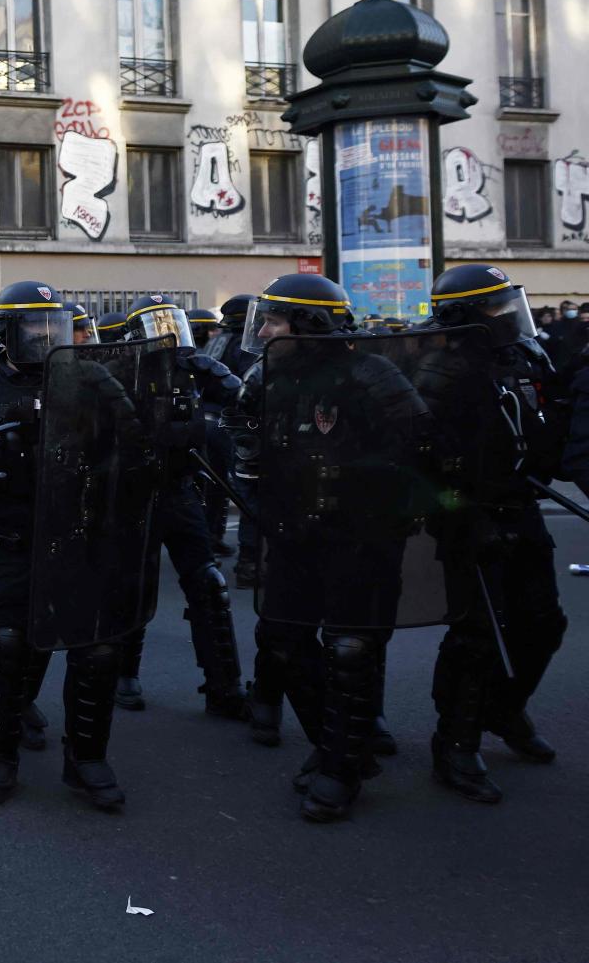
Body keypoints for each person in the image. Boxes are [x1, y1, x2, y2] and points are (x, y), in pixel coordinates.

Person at [0, 280, 141, 811]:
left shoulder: (88, 376)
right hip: (6, 536)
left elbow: (133, 439)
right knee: (7, 643)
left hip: (76, 537)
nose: (44, 335)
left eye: (52, 324)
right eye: (33, 325)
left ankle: (86, 758)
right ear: (4, 330)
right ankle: (0, 754)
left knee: (96, 647)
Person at [226, 273, 432, 821]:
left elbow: (420, 447)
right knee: (284, 641)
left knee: (350, 651)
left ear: (311, 324)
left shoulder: (373, 375)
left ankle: (341, 767)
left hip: (361, 537)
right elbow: (240, 428)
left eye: (273, 320)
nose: (264, 330)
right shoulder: (266, 374)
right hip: (294, 533)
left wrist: (357, 478)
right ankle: (338, 744)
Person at [423, 265, 569, 802]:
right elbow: (422, 467)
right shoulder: (438, 372)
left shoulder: (519, 358)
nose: (509, 315)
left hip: (519, 505)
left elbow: (544, 424)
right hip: (470, 516)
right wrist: (464, 515)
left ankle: (505, 711)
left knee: (545, 622)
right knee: (477, 636)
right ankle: (454, 743)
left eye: (510, 304)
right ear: (462, 316)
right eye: (495, 307)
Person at [109, 297, 249, 721]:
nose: (167, 334)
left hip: (180, 488)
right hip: (135, 492)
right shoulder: (119, 375)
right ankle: (123, 674)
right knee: (134, 585)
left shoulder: (190, 372)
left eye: (173, 324)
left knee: (208, 583)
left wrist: (217, 372)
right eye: (156, 326)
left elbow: (246, 400)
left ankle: (223, 684)